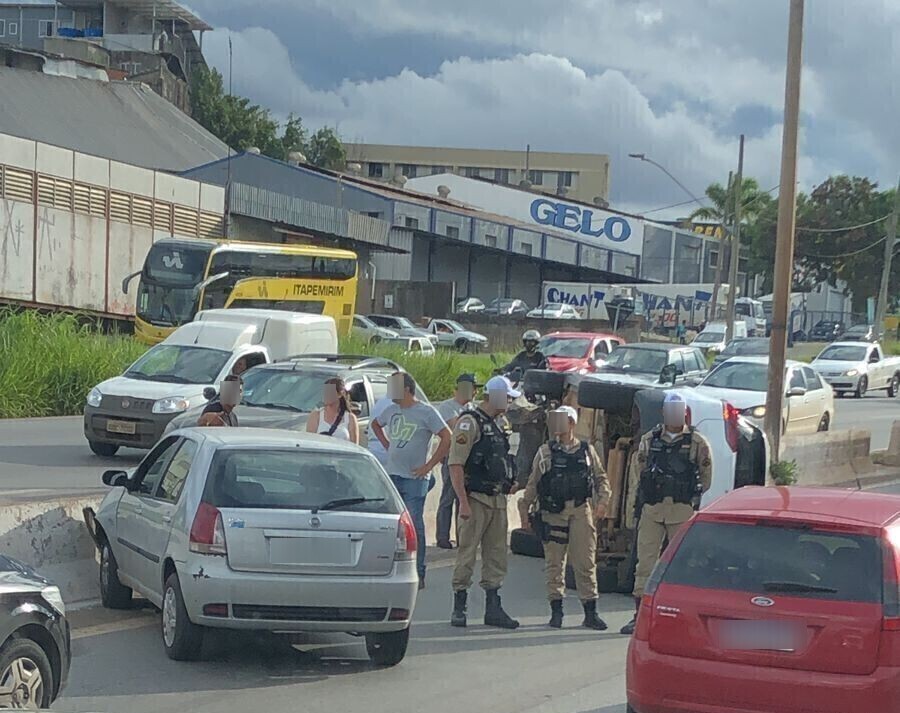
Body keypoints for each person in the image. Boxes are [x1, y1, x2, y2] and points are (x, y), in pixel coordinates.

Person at [620, 392, 713, 635]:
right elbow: (637, 476)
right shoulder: (649, 440)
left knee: (683, 565)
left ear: (684, 413)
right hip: (652, 509)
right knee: (646, 563)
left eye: (678, 410)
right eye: (669, 410)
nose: (674, 415)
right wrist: (634, 509)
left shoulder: (697, 443)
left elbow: (706, 478)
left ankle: (683, 620)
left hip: (681, 510)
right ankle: (639, 616)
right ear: (663, 413)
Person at [522, 406, 612, 630]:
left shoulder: (586, 451)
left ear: (571, 423)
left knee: (585, 563)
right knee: (554, 564)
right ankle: (556, 611)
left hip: (581, 511)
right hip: (553, 514)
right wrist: (525, 512)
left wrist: (602, 502)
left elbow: (601, 479)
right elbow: (533, 484)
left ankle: (590, 612)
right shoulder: (545, 452)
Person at [448, 375, 521, 630]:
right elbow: (455, 464)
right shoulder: (469, 423)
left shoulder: (501, 425)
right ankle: (460, 605)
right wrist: (463, 503)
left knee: (496, 556)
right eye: (508, 397)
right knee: (467, 553)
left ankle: (493, 607)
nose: (510, 402)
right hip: (475, 499)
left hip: (498, 499)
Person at [371, 372, 451, 588]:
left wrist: (430, 464)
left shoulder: (426, 412)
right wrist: (388, 445)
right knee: (390, 524)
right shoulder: (392, 410)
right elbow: (375, 425)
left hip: (416, 478)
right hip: (393, 474)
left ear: (407, 389)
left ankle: (419, 571)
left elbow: (447, 436)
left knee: (414, 523)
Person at [435, 374, 478, 549]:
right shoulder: (447, 407)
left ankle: (462, 537)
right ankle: (442, 537)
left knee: (464, 499)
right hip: (452, 458)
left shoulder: (472, 408)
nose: (474, 392)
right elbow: (457, 428)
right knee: (448, 498)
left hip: (468, 459)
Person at [306, 377, 360, 444]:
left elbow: (355, 446)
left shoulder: (350, 418)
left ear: (339, 394)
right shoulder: (316, 416)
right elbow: (309, 442)